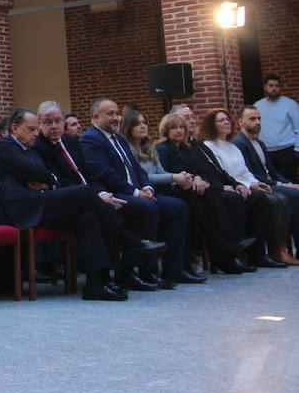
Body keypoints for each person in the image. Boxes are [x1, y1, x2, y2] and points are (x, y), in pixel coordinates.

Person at [0, 108, 165, 301]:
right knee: (85, 192)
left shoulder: (28, 148)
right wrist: (47, 178)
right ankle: (127, 240)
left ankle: (96, 283)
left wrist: (46, 179)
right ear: (15, 127)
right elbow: (39, 173)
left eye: (36, 130)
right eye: (31, 129)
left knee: (89, 218)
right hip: (21, 208)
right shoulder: (4, 145)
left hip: (39, 200)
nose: (36, 134)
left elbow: (42, 174)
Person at [34, 101, 160, 291]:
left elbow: (89, 175)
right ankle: (105, 274)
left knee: (97, 215)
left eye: (58, 121)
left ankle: (106, 279)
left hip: (88, 199)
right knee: (98, 215)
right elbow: (56, 181)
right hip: (61, 204)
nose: (54, 126)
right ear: (39, 123)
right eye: (48, 122)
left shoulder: (71, 141)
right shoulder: (38, 146)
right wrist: (96, 197)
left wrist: (102, 193)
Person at [77, 98, 199, 286]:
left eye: (117, 113)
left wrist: (147, 187)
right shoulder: (90, 139)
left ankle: (175, 270)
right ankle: (135, 272)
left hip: (135, 191)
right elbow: (104, 173)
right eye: (110, 114)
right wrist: (135, 192)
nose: (116, 118)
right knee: (147, 207)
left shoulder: (119, 139)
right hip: (113, 194)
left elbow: (137, 168)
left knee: (178, 207)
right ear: (95, 117)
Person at [126, 109, 249, 273]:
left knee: (212, 196)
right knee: (191, 200)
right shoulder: (159, 148)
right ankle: (223, 247)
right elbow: (144, 176)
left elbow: (168, 171)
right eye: (174, 128)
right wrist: (176, 177)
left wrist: (189, 177)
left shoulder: (157, 147)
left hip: (179, 186)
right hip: (163, 190)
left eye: (144, 123)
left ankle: (227, 245)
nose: (179, 131)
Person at [193, 108, 294, 268]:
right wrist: (243, 185)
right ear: (211, 125)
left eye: (227, 119)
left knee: (278, 198)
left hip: (244, 185)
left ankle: (261, 253)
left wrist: (254, 183)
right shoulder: (209, 146)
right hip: (232, 188)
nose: (226, 122)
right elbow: (224, 173)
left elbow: (245, 171)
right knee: (267, 200)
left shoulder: (233, 146)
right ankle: (255, 253)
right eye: (221, 120)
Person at [235, 105, 299, 252]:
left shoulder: (260, 143)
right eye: (252, 119)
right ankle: (282, 250)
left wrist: (288, 183)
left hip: (271, 182)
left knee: (296, 189)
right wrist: (281, 185)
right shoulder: (239, 143)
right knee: (295, 195)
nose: (257, 122)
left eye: (259, 119)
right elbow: (250, 174)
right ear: (240, 122)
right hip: (259, 185)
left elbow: (272, 171)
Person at [253, 75, 299, 182]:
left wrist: (297, 148)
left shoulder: (290, 104)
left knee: (290, 181)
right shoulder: (258, 106)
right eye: (271, 85)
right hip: (267, 152)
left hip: (287, 150)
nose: (274, 88)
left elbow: (298, 127)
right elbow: (255, 129)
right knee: (273, 182)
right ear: (265, 87)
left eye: (277, 86)